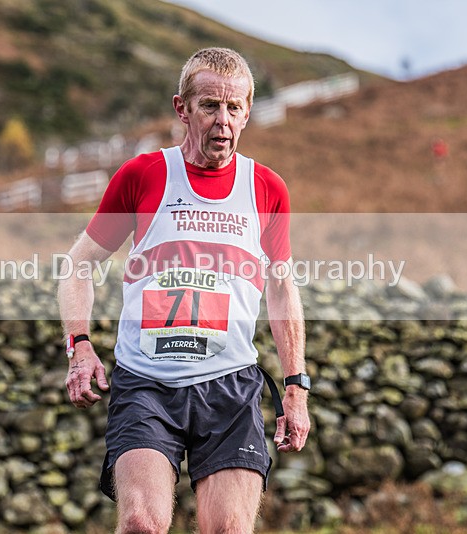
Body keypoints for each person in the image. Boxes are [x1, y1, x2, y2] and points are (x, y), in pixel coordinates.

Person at [57, 47, 310, 534]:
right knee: (140, 525)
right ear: (182, 108)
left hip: (230, 388)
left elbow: (282, 292)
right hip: (146, 384)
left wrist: (296, 387)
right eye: (210, 106)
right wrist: (79, 345)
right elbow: (77, 266)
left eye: (234, 108)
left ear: (248, 112)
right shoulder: (142, 176)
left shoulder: (266, 188)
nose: (223, 121)